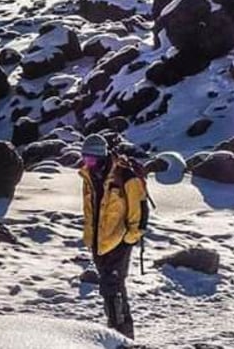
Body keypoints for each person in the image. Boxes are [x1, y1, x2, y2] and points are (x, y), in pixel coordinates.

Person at [80, 134, 148, 339]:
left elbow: (140, 209)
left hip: (119, 242)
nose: (87, 163)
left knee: (114, 289)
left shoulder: (125, 176)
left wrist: (130, 238)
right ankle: (117, 334)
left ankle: (122, 337)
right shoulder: (89, 176)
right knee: (109, 290)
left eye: (91, 159)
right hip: (98, 243)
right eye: (85, 158)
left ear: (101, 157)